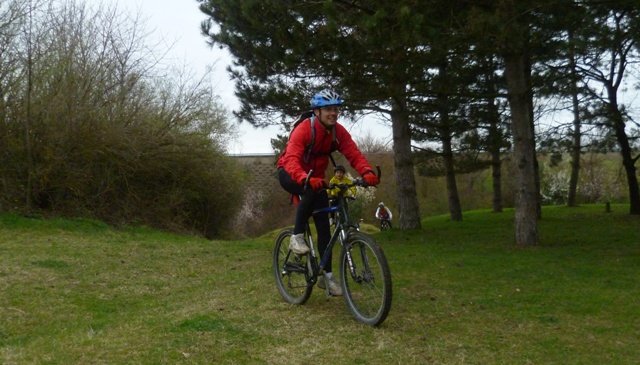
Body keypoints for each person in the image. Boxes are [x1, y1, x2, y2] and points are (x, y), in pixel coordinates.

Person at [277, 89, 379, 296]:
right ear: (317, 112)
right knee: (310, 191)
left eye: (336, 109)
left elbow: (353, 153)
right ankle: (297, 237)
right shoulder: (304, 130)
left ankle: (327, 277)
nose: (333, 113)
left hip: (317, 178)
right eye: (328, 110)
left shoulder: (338, 132)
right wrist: (303, 177)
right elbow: (291, 158)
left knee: (324, 228)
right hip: (290, 173)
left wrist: (367, 172)